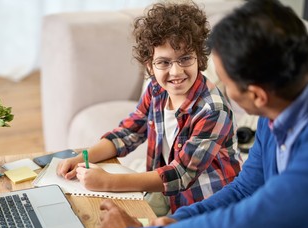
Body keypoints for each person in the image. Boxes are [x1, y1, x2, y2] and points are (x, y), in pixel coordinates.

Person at [96, 0, 308, 228]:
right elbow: (245, 189)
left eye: (226, 82)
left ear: (256, 95)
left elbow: (245, 227)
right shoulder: (273, 114)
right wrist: (179, 222)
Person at [57, 0, 242, 214]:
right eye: (164, 62)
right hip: (166, 193)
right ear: (149, 65)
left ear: (199, 58)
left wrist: (108, 182)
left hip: (207, 203)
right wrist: (79, 157)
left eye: (185, 59)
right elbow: (129, 132)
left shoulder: (213, 110)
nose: (175, 72)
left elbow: (180, 175)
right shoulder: (156, 88)